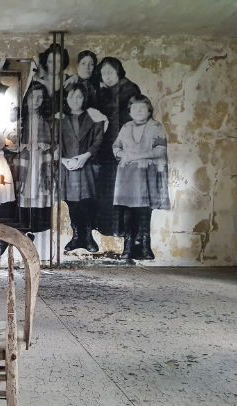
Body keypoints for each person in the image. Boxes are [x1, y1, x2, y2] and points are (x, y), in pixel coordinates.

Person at [112, 95, 170, 260]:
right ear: (130, 111)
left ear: (149, 110)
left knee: (144, 211)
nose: (138, 111)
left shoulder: (155, 126)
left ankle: (145, 247)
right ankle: (128, 247)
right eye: (134, 108)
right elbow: (116, 147)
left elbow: (160, 150)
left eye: (142, 108)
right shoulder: (126, 127)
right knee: (128, 212)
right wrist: (122, 154)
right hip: (127, 177)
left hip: (146, 176)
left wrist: (135, 156)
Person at [93, 56, 142, 237]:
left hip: (123, 147)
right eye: (103, 73)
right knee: (108, 189)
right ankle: (110, 228)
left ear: (118, 71)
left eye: (110, 72)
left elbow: (128, 117)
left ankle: (122, 230)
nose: (107, 76)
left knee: (121, 189)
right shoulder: (108, 90)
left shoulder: (128, 89)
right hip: (107, 147)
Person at [60, 82, 104, 253]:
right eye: (72, 96)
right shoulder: (60, 121)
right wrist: (63, 160)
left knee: (87, 203)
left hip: (86, 167)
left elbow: (98, 141)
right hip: (68, 167)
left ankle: (88, 237)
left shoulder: (94, 119)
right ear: (67, 99)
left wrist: (85, 156)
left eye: (79, 96)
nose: (76, 100)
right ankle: (76, 236)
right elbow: (54, 143)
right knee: (72, 204)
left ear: (84, 98)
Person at [16, 82, 52, 233]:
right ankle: (24, 221)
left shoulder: (46, 120)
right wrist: (24, 146)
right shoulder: (20, 120)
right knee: (24, 187)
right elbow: (10, 140)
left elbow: (53, 141)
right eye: (33, 96)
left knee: (39, 187)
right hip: (25, 159)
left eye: (40, 97)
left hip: (40, 159)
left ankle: (39, 223)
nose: (36, 100)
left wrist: (45, 146)